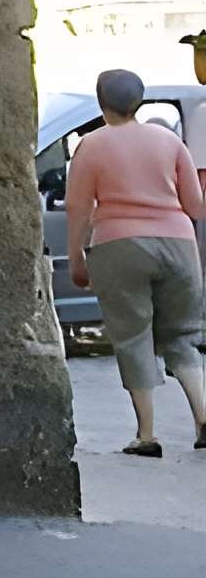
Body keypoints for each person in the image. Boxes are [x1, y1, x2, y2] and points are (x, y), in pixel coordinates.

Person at [65, 66, 206, 457]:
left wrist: (77, 257)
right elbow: (195, 205)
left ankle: (147, 435)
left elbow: (78, 207)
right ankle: (203, 417)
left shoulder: (91, 146)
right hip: (178, 243)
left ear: (101, 102)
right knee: (182, 336)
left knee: (132, 335)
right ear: (139, 100)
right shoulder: (169, 141)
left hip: (119, 245)